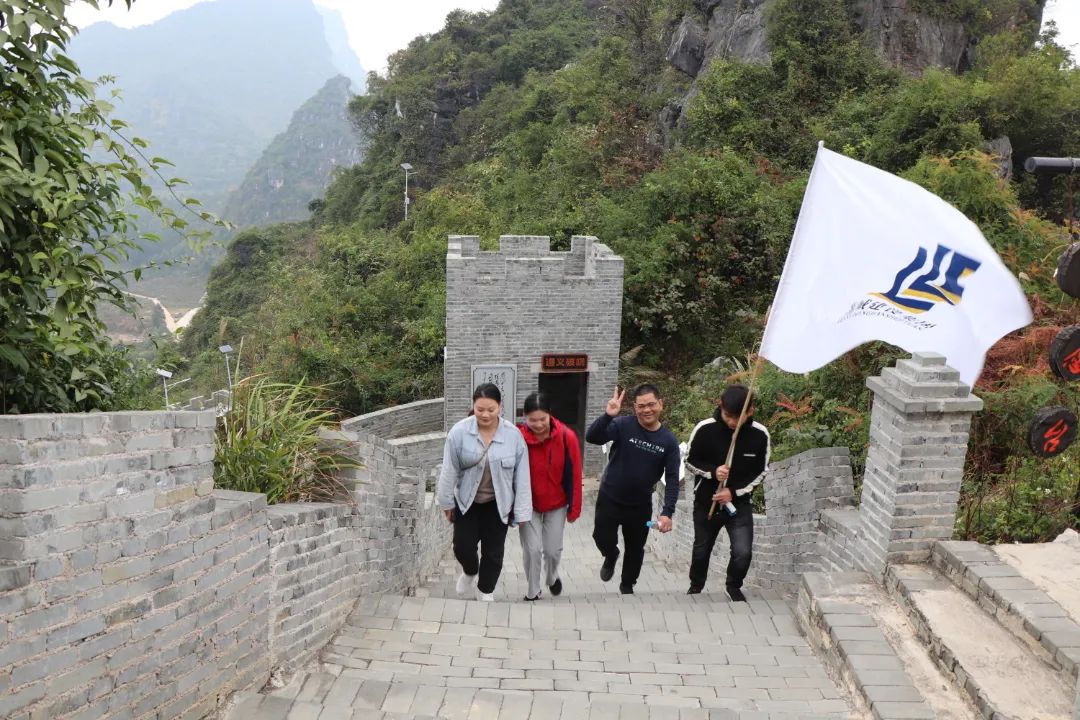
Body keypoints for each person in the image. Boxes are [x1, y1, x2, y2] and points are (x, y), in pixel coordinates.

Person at [437, 383, 532, 601]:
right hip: (467, 501)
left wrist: (522, 511)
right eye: (480, 409)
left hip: (498, 503)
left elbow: (522, 476)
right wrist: (446, 502)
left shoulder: (513, 436)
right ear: (473, 406)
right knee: (462, 546)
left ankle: (485, 590)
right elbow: (449, 469)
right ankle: (470, 571)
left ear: (500, 407)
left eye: (491, 409)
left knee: (494, 551)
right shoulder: (459, 432)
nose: (485, 414)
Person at [585, 384, 680, 594]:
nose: (647, 410)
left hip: (640, 505)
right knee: (601, 537)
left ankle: (627, 586)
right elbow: (592, 437)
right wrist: (608, 416)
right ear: (635, 407)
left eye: (651, 404)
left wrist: (667, 512)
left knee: (635, 548)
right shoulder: (623, 425)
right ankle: (611, 555)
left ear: (660, 404)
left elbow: (673, 479)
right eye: (641, 406)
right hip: (610, 497)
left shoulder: (668, 441)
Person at [683, 384, 771, 601]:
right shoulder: (705, 429)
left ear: (750, 411)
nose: (732, 422)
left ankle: (733, 586)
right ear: (720, 406)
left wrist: (733, 491)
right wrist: (713, 472)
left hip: (739, 504)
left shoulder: (760, 435)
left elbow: (761, 471)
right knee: (702, 549)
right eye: (728, 416)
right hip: (706, 502)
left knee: (743, 551)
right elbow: (690, 461)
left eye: (738, 417)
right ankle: (696, 586)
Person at [517, 392, 583, 601]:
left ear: (550, 415)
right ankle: (533, 591)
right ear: (525, 417)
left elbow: (575, 473)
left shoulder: (566, 436)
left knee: (552, 550)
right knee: (532, 549)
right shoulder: (518, 437)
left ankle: (552, 576)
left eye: (542, 419)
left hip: (557, 503)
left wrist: (575, 508)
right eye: (532, 420)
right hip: (528, 504)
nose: (538, 425)